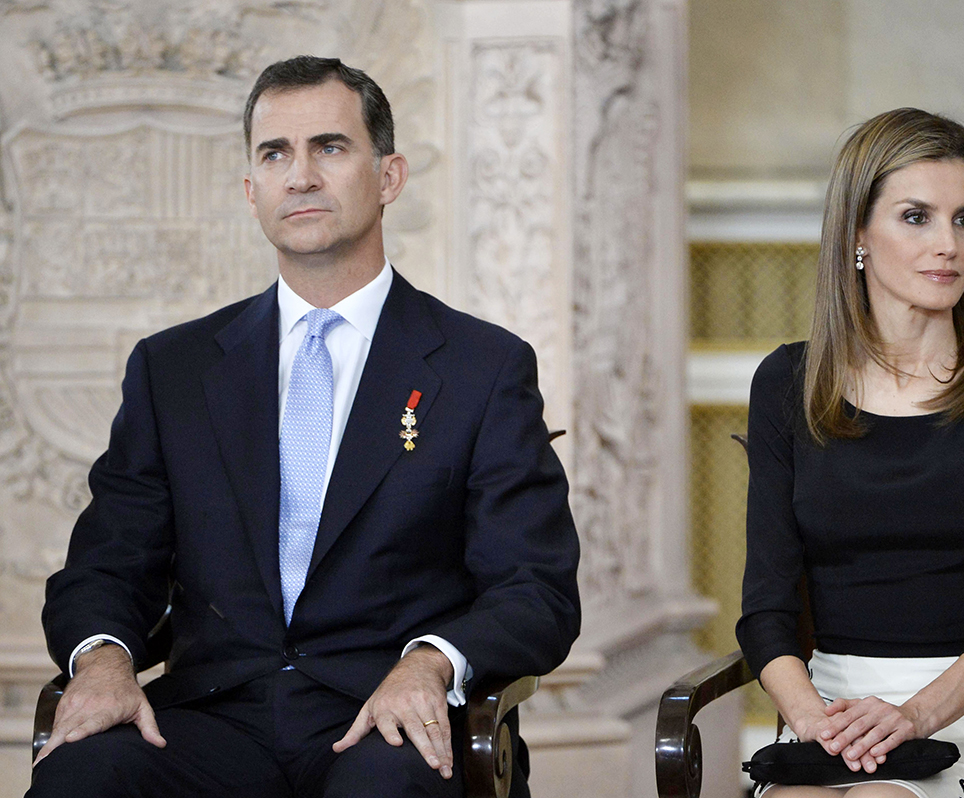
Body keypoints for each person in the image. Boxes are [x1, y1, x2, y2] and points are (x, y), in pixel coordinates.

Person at [28, 55, 581, 798]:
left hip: (386, 713)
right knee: (79, 777)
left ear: (388, 177)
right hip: (213, 716)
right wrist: (102, 661)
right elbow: (105, 564)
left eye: (330, 147)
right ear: (251, 191)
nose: (301, 176)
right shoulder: (173, 369)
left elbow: (536, 587)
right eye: (275, 154)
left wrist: (430, 663)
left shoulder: (483, 367)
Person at [737, 108, 964, 798]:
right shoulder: (788, 382)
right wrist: (813, 721)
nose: (949, 245)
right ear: (857, 233)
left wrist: (914, 716)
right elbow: (765, 608)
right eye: (917, 217)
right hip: (829, 713)